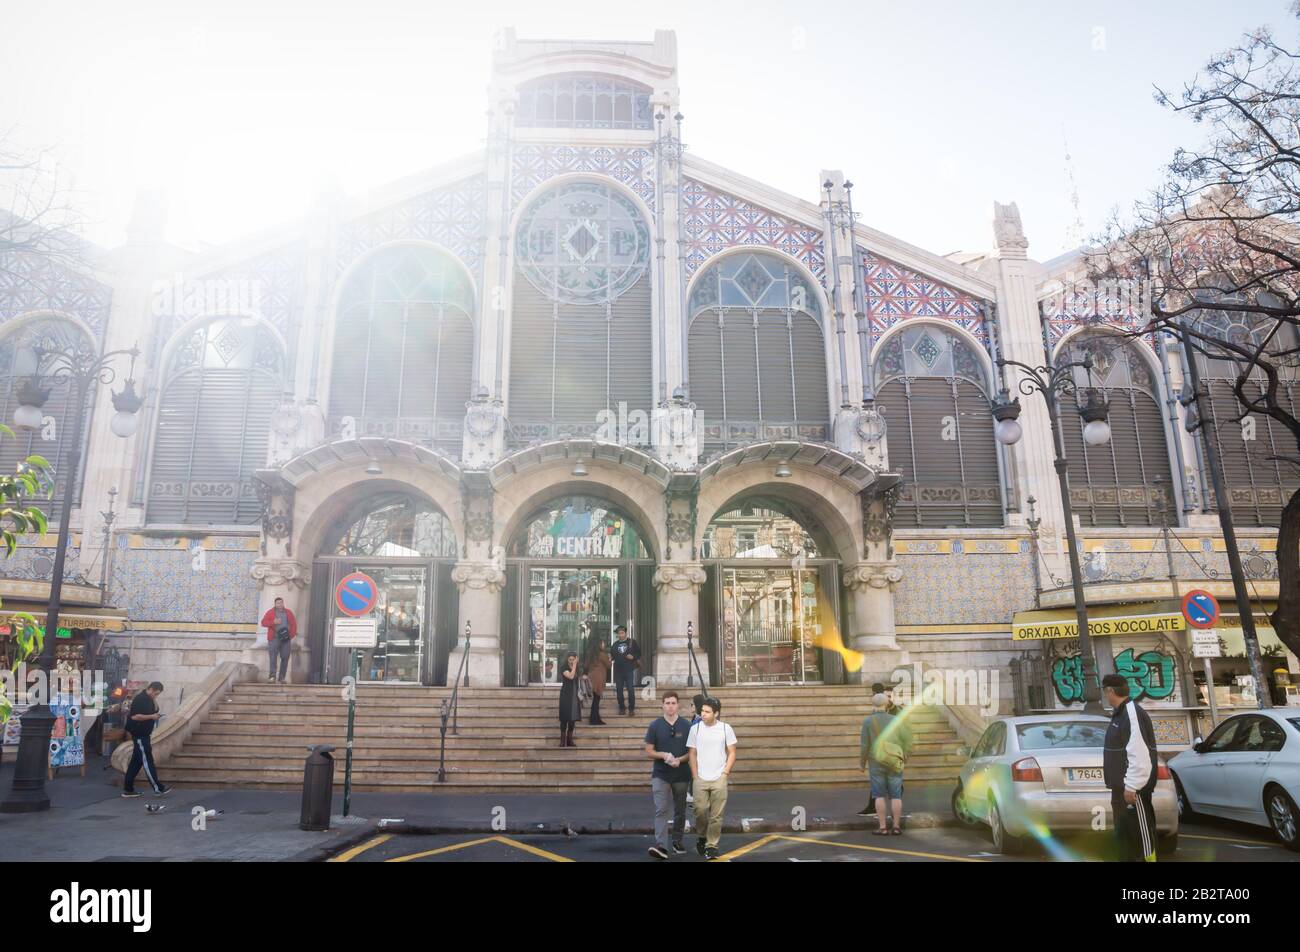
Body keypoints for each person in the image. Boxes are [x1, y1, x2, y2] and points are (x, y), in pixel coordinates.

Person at [1102, 673, 1159, 862]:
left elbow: (1139, 752)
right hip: (1122, 789)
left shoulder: (1131, 713)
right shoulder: (1120, 714)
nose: (1104, 695)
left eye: (1104, 691)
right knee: (1125, 840)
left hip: (1134, 791)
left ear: (1110, 691)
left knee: (1140, 839)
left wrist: (1133, 785)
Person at [686, 697, 736, 860]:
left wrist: (725, 774)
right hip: (700, 778)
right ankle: (702, 836)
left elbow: (732, 752)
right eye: (702, 711)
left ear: (716, 713)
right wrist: (695, 775)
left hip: (719, 778)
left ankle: (712, 845)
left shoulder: (725, 729)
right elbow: (692, 753)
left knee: (716, 816)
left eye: (707, 712)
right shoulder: (696, 729)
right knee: (700, 811)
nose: (703, 714)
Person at [644, 691, 692, 859]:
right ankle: (661, 846)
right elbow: (649, 750)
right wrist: (663, 755)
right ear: (662, 705)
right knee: (661, 809)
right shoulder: (655, 725)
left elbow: (692, 752)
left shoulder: (687, 726)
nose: (670, 706)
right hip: (661, 774)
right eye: (667, 703)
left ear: (678, 705)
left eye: (673, 703)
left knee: (680, 810)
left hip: (681, 774)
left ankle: (677, 841)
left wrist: (680, 759)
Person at [860, 692, 911, 835]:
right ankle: (896, 827)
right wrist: (905, 755)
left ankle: (882, 827)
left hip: (876, 761)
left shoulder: (868, 721)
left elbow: (864, 745)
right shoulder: (896, 720)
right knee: (896, 795)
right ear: (887, 704)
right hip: (894, 761)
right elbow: (907, 739)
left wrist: (862, 763)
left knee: (879, 795)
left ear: (873, 705)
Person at [122, 682, 170, 798]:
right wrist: (152, 717)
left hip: (144, 734)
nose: (156, 696)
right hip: (140, 734)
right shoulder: (141, 699)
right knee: (148, 760)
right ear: (151, 689)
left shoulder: (148, 699)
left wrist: (154, 703)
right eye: (156, 694)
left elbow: (154, 709)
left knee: (136, 762)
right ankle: (158, 787)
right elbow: (135, 716)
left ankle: (128, 789)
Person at [259, 596, 296, 684]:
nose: (280, 604)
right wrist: (273, 622)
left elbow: (293, 625)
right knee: (273, 657)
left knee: (285, 657)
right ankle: (272, 676)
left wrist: (290, 636)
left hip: (285, 639)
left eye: (281, 603)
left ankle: (282, 677)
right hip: (274, 639)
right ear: (275, 604)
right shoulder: (270, 612)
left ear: (283, 603)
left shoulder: (288, 612)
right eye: (278, 603)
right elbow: (263, 623)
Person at [610, 624, 641, 716]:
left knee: (630, 689)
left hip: (628, 670)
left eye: (622, 633)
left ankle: (631, 709)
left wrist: (633, 657)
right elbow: (611, 656)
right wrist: (609, 657)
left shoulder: (632, 642)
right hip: (618, 671)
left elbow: (639, 653)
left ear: (625, 633)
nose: (620, 635)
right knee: (619, 690)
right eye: (619, 633)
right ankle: (622, 708)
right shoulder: (614, 645)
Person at [557, 652, 581, 747]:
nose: (571, 661)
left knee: (573, 718)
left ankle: (569, 740)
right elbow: (571, 676)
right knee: (564, 718)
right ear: (567, 660)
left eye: (573, 660)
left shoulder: (577, 668)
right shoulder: (564, 668)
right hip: (566, 695)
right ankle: (562, 741)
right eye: (570, 660)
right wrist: (575, 665)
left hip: (574, 696)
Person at [586, 639, 611, 725]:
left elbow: (586, 665)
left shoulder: (591, 654)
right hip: (599, 678)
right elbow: (609, 665)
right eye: (603, 644)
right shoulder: (602, 655)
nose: (604, 645)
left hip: (592, 678)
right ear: (600, 645)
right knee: (596, 700)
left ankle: (595, 718)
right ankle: (594, 719)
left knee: (595, 700)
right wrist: (610, 658)